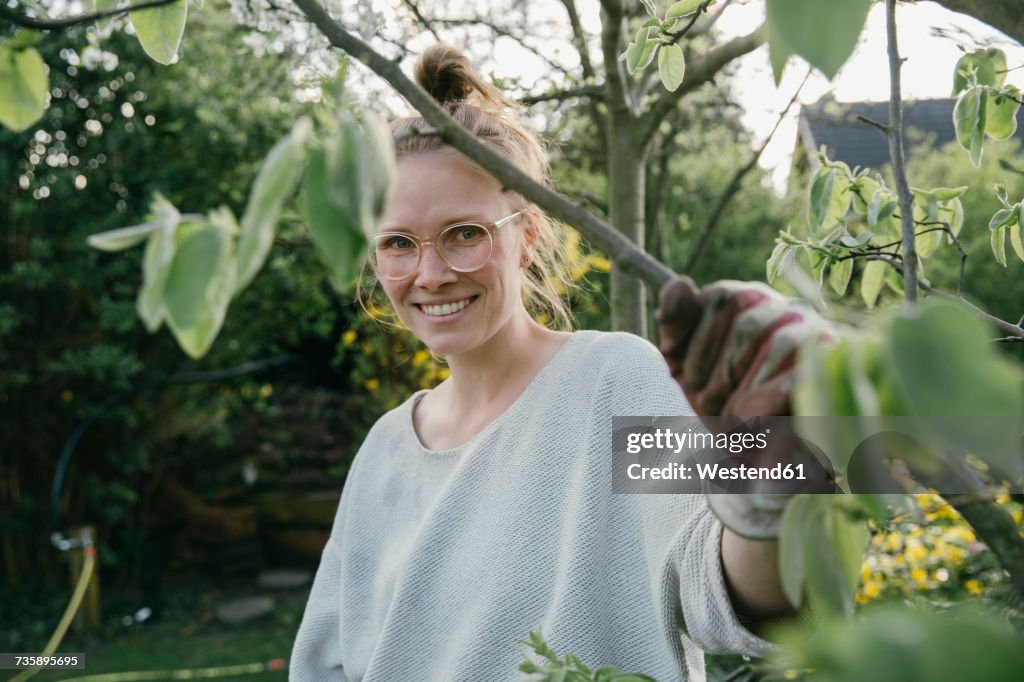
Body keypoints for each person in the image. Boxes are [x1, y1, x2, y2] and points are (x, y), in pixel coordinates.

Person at [290, 45, 823, 682]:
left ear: (529, 234)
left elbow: (738, 596)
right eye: (399, 244)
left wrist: (772, 474)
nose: (430, 275)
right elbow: (327, 665)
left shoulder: (614, 381)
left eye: (465, 233)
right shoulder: (382, 451)